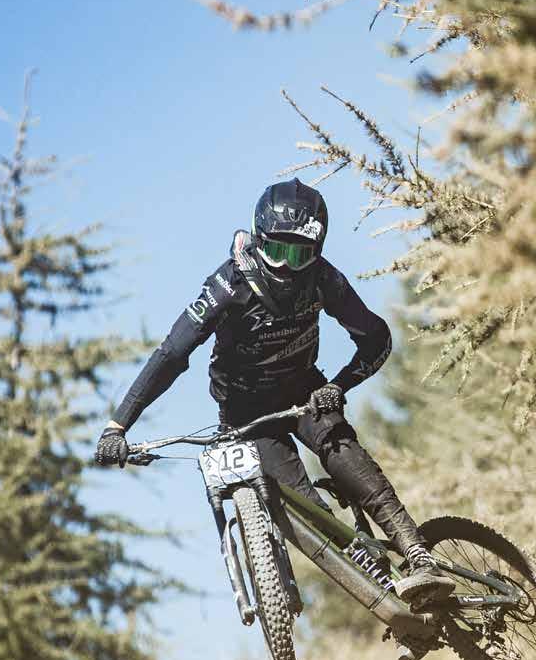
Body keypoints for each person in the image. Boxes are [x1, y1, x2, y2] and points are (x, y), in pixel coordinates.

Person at [95, 178, 453, 604]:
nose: (286, 267)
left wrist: (338, 386)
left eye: (299, 255)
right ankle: (377, 576)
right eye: (277, 251)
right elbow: (172, 353)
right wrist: (118, 425)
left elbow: (376, 338)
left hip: (305, 392)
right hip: (246, 414)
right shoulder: (227, 286)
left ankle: (418, 554)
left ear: (316, 252)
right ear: (258, 239)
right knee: (304, 507)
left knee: (343, 453)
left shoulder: (323, 279)